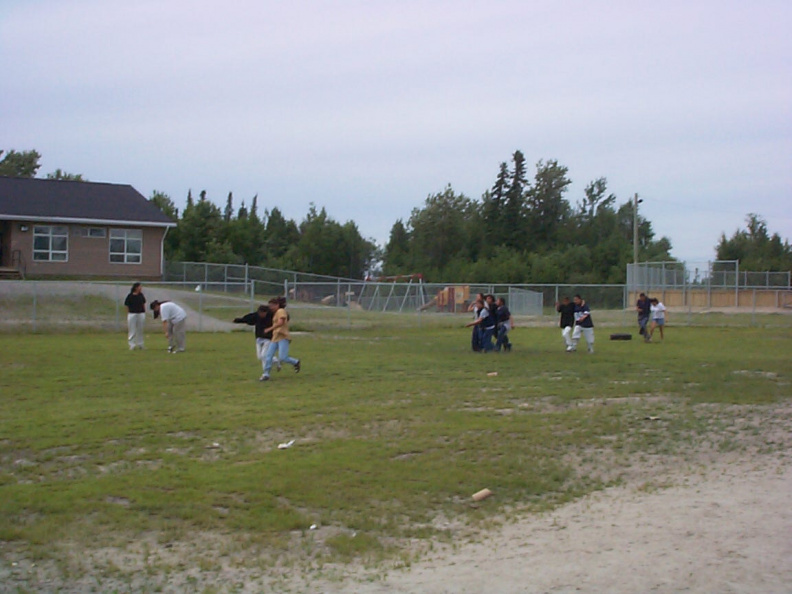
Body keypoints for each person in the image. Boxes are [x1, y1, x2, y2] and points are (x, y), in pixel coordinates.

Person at [233, 304, 281, 379]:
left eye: (263, 313)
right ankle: (275, 360)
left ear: (266, 312)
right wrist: (238, 320)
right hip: (259, 339)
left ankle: (266, 374)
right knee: (259, 356)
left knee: (263, 355)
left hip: (268, 339)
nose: (261, 315)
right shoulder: (256, 316)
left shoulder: (271, 316)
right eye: (260, 313)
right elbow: (248, 318)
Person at [261, 298, 301, 381]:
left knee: (283, 357)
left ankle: (296, 362)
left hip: (283, 337)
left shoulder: (281, 311)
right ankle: (266, 374)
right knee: (268, 356)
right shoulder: (275, 313)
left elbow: (281, 322)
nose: (270, 307)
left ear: (277, 305)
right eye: (269, 306)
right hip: (275, 337)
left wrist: (269, 329)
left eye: (272, 306)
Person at [124, 282, 146, 350]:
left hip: (140, 313)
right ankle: (132, 344)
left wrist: (144, 312)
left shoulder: (141, 295)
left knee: (140, 329)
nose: (141, 288)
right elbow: (126, 305)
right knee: (132, 329)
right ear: (136, 288)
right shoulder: (130, 296)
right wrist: (128, 313)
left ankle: (140, 344)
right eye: (139, 287)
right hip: (132, 314)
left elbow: (143, 303)